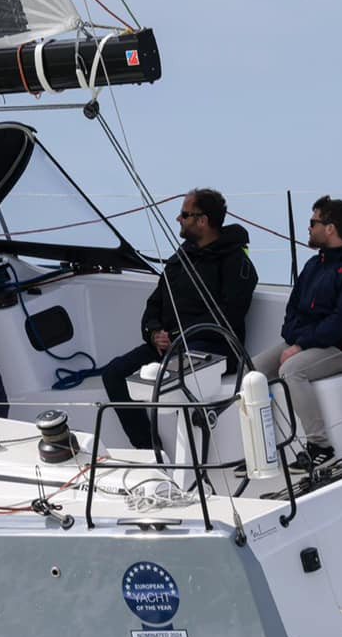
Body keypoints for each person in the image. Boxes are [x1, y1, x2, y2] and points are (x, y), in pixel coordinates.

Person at [100, 188, 258, 450]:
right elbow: (154, 303)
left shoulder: (235, 262)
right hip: (171, 347)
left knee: (173, 377)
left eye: (184, 215)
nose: (178, 219)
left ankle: (195, 460)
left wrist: (176, 336)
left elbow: (227, 316)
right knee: (114, 374)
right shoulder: (181, 259)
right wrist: (153, 332)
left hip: (214, 350)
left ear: (203, 221)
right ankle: (149, 450)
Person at [254, 196, 342, 464]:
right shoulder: (314, 264)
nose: (308, 228)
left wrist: (300, 345)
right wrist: (293, 338)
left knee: (292, 370)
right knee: (252, 371)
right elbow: (293, 307)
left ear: (330, 227)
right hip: (307, 342)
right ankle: (261, 449)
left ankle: (320, 446)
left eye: (313, 222)